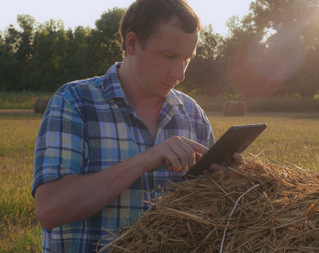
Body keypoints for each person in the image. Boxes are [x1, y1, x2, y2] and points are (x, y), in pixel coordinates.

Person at [31, 0, 242, 251]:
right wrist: (144, 160)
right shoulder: (75, 103)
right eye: (169, 56)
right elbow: (50, 210)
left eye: (186, 59)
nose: (180, 73)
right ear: (132, 44)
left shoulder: (192, 114)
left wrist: (229, 184)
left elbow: (209, 219)